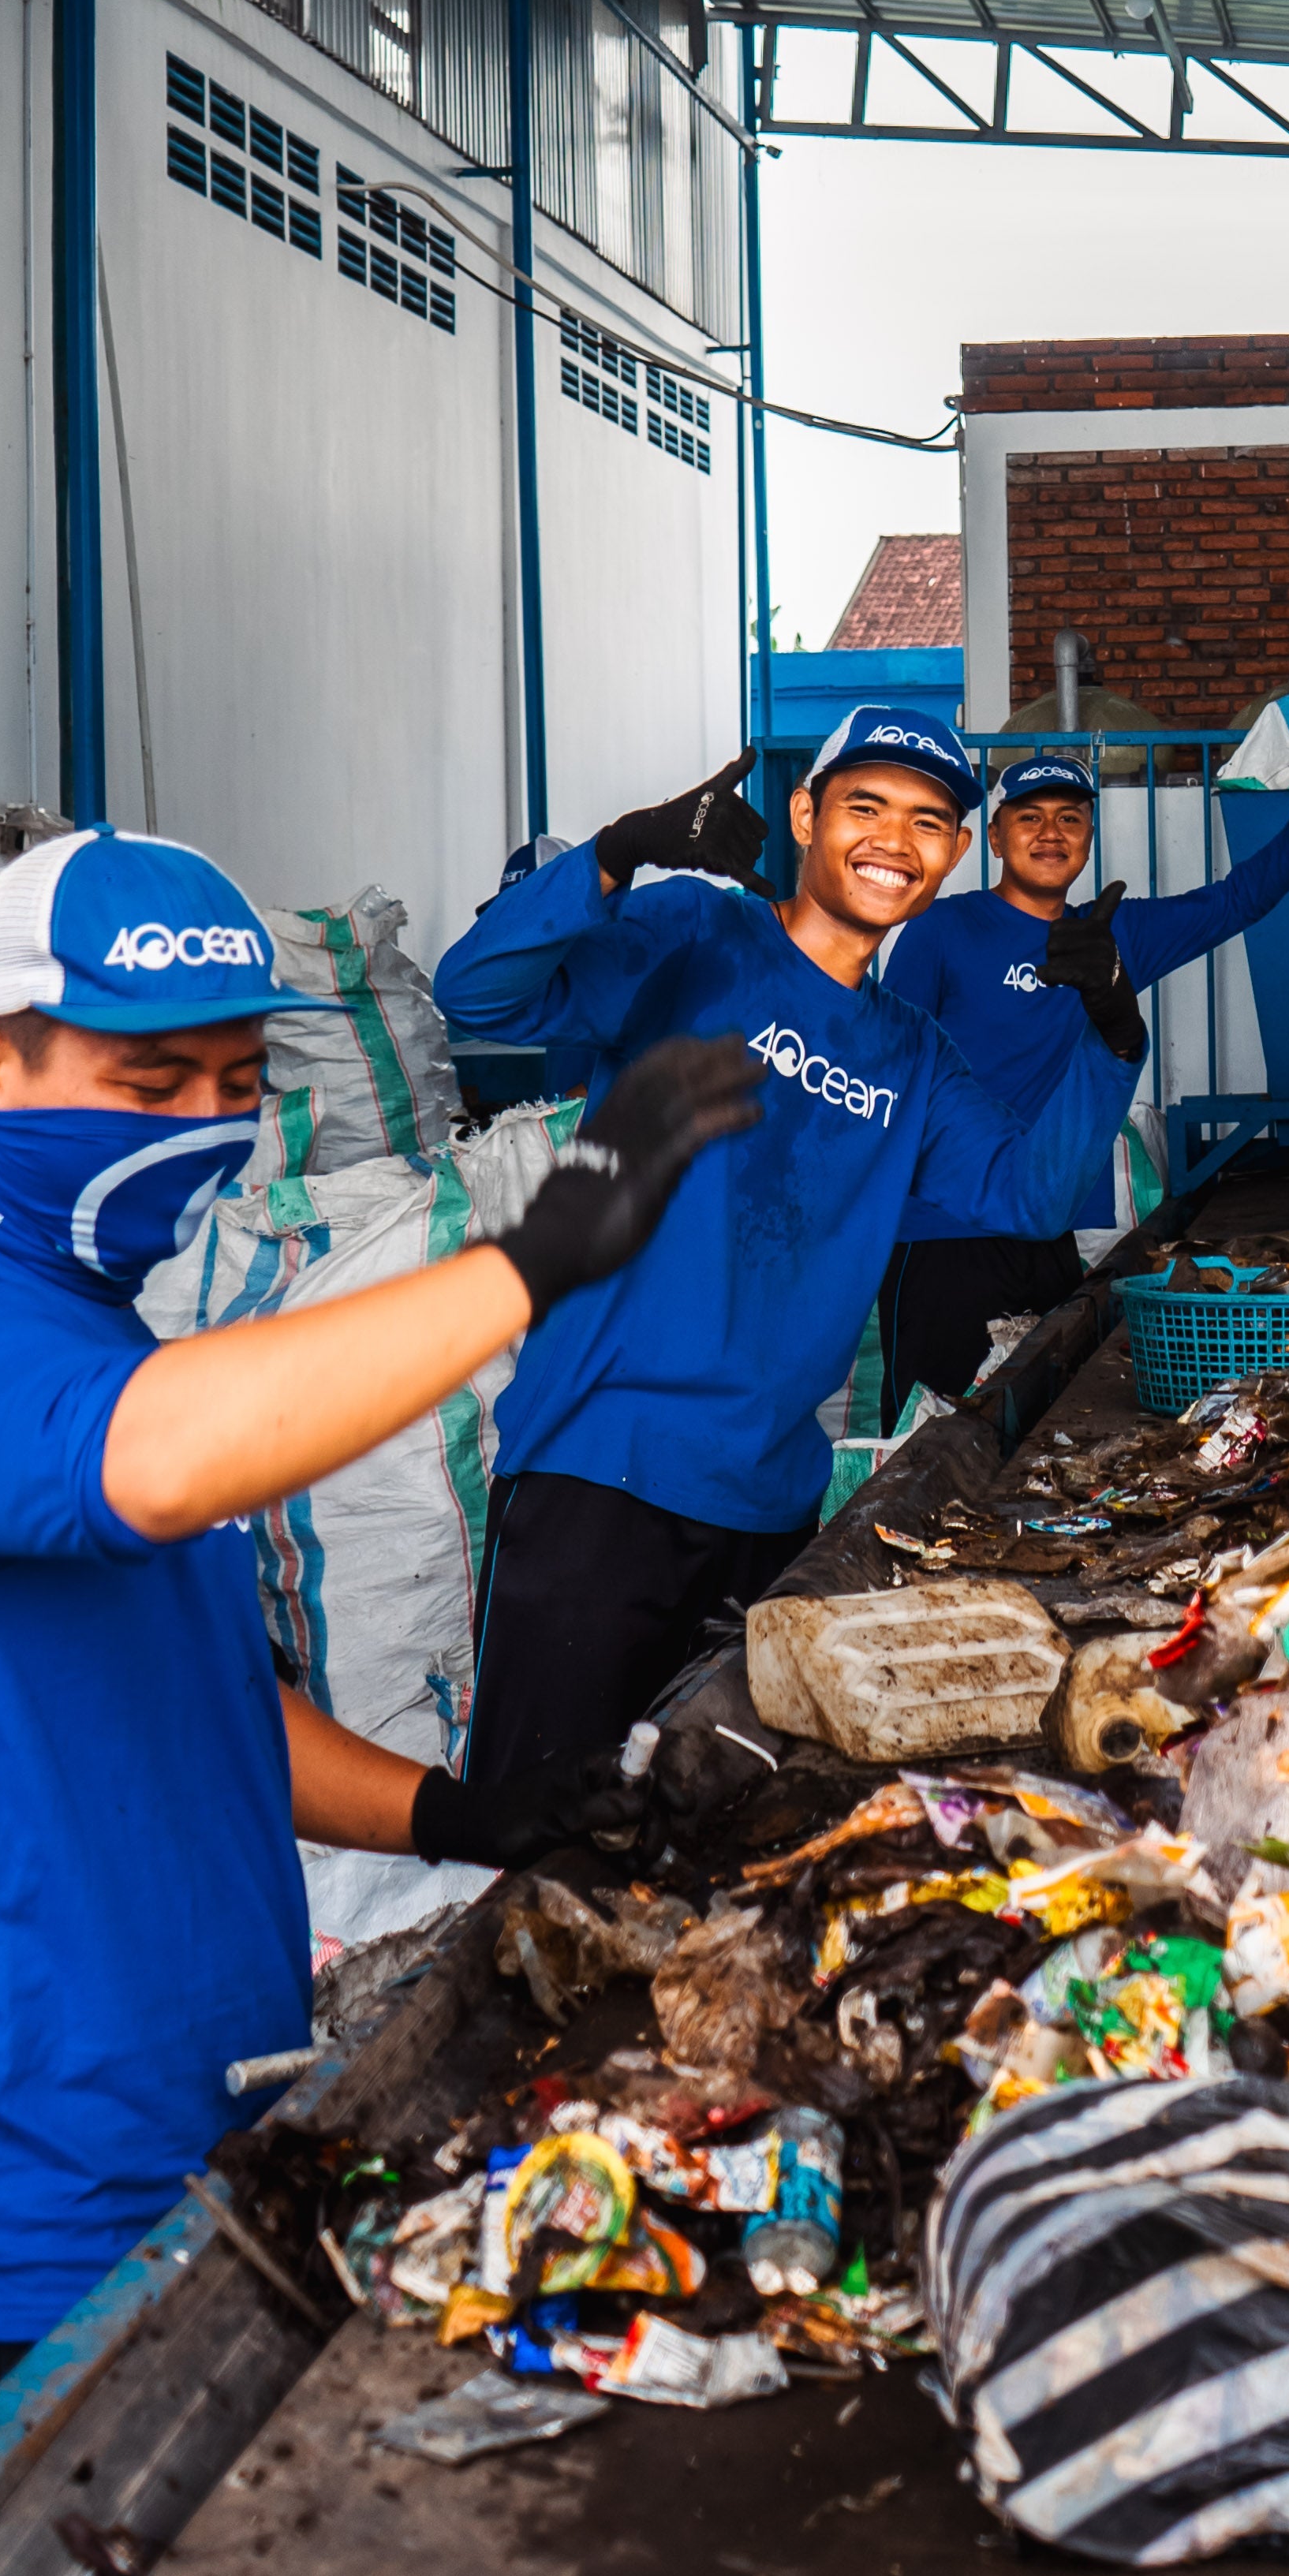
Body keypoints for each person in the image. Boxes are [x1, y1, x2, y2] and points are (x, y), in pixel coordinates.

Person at [0, 824, 749, 2499]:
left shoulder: (93, 1331)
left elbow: (191, 1706)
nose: (203, 1127)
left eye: (228, 1081)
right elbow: (162, 1461)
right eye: (149, 1085)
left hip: (177, 2137)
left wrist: (459, 1818)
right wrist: (531, 1259)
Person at [437, 712, 1142, 1789]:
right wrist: (620, 853)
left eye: (928, 822)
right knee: (537, 1824)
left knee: (709, 1833)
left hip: (770, 1508)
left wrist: (1110, 1030)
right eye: (864, 807)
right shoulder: (696, 935)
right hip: (600, 1471)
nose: (896, 840)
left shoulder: (914, 1054)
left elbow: (1028, 1191)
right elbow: (475, 990)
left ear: (955, 853)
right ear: (806, 816)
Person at [876, 741, 1289, 1413]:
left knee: (1036, 1420)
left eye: (1070, 818)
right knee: (927, 1433)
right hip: (942, 1235)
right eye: (1030, 817)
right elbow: (886, 1066)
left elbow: (1235, 902)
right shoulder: (942, 930)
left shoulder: (1110, 938)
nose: (1051, 833)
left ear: (1089, 836)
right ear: (994, 835)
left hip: (1046, 1226)